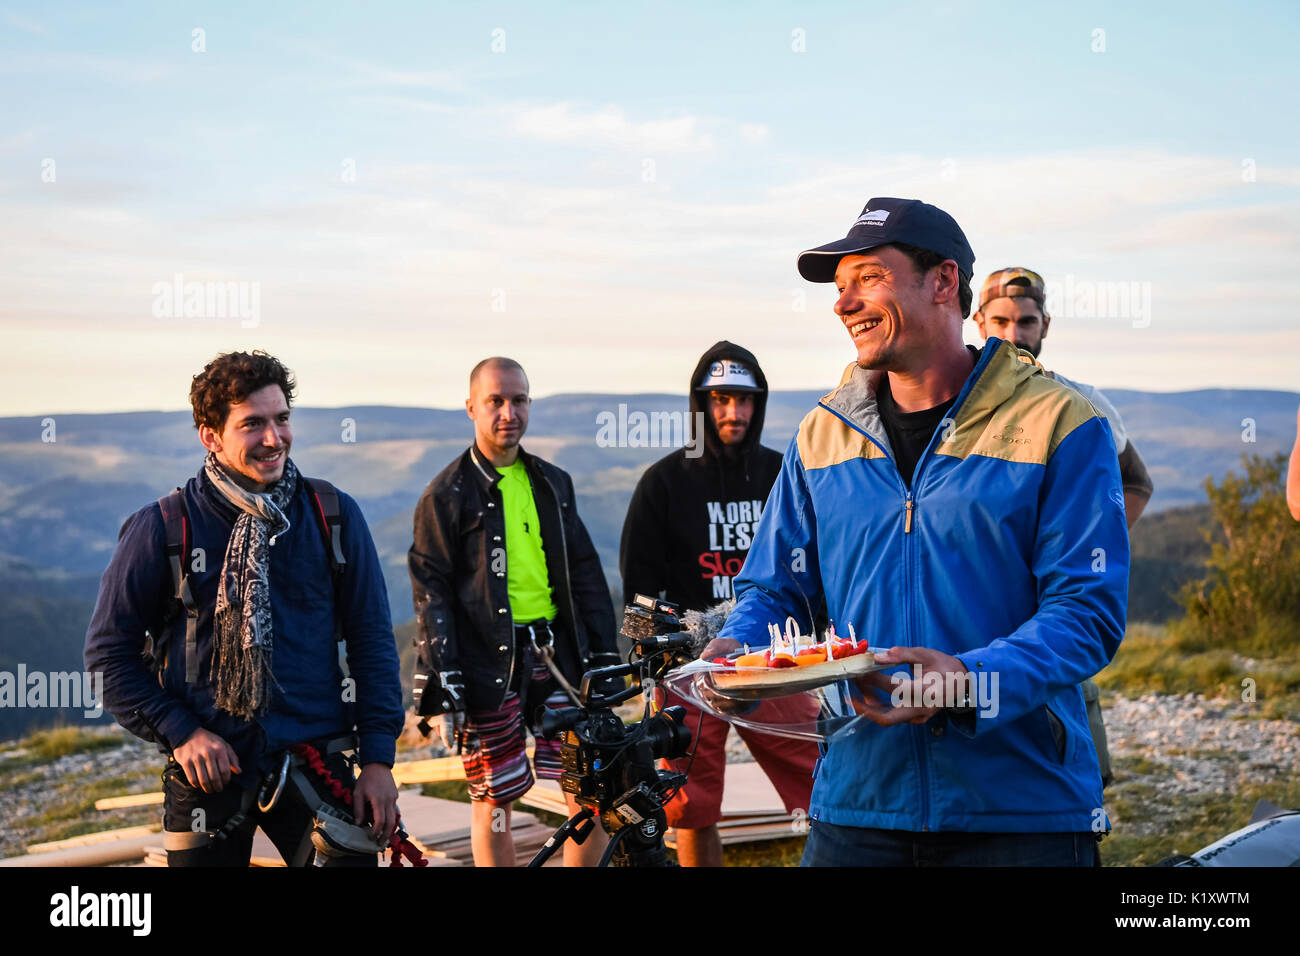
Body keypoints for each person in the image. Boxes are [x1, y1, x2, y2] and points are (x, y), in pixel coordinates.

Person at [705, 197, 1129, 866]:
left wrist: (968, 679)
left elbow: (1087, 612)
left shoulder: (1061, 421)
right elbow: (776, 590)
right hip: (858, 802)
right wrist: (735, 645)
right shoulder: (823, 433)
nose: (844, 304)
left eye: (868, 277)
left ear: (943, 282)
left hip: (1019, 812)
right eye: (840, 287)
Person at [85, 350, 405, 867]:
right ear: (210, 435)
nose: (274, 438)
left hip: (314, 762)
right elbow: (108, 656)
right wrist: (182, 732)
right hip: (209, 773)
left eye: (281, 419)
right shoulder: (164, 527)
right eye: (252, 424)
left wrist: (377, 761)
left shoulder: (333, 515)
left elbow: (372, 642)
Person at [408, 357, 618, 866]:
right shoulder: (446, 495)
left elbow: (586, 570)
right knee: (494, 798)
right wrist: (445, 678)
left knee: (588, 789)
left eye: (519, 399)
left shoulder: (552, 482)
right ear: (471, 408)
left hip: (559, 658)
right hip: (486, 665)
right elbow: (430, 590)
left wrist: (606, 654)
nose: (509, 412)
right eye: (495, 401)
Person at [619, 341, 819, 867]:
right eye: (721, 399)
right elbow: (639, 589)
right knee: (690, 807)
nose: (734, 412)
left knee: (819, 787)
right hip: (692, 670)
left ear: (761, 404)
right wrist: (659, 661)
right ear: (700, 404)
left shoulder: (784, 473)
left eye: (746, 400)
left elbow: (812, 564)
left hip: (775, 658)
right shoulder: (663, 483)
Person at [973, 266, 1155, 787]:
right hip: (981, 603)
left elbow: (1137, 482)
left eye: (1025, 321)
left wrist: (1092, 550)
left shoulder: (1082, 401)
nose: (1013, 335)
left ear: (1045, 324)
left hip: (1056, 605)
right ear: (977, 320)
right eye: (1000, 321)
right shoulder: (950, 401)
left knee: (1061, 715)